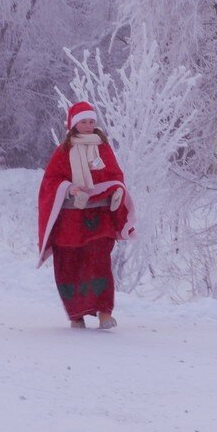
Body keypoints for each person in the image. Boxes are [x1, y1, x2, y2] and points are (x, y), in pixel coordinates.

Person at [37, 102, 135, 329]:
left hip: (98, 218)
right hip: (70, 221)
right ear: (73, 124)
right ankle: (76, 315)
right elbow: (50, 181)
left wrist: (117, 189)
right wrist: (68, 188)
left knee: (99, 262)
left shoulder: (103, 148)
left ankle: (104, 312)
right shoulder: (63, 151)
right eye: (84, 121)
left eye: (92, 121)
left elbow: (115, 174)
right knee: (69, 263)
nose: (89, 126)